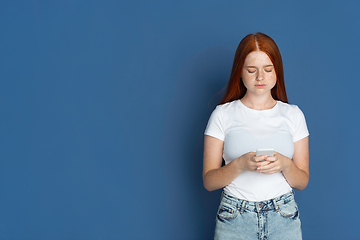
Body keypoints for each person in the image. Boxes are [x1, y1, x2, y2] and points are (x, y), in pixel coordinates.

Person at [203, 32, 309, 240]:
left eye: (267, 70)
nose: (260, 77)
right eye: (251, 70)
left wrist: (285, 165)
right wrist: (239, 164)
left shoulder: (293, 114)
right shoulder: (222, 114)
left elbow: (302, 181)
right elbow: (209, 181)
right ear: (240, 72)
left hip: (283, 216)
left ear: (277, 71)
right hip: (234, 217)